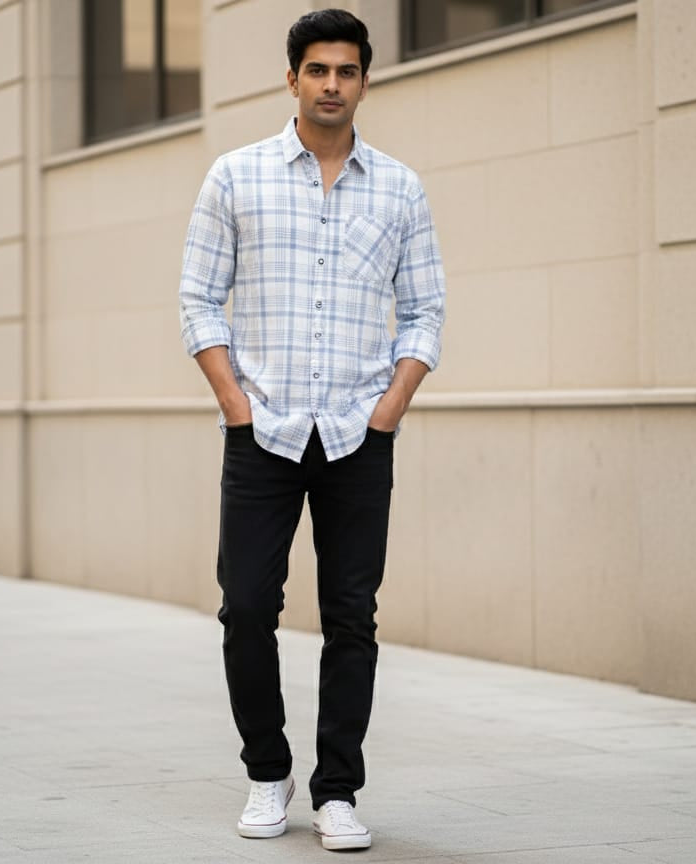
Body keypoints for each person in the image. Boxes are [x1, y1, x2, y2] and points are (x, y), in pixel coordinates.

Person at [178, 8, 445, 853]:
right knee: (246, 607)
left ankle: (337, 791)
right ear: (290, 77)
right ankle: (267, 772)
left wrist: (388, 410)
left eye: (348, 71)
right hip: (263, 433)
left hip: (357, 437)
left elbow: (426, 310)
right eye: (318, 70)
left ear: (365, 80)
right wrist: (234, 404)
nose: (333, 84)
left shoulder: (400, 187)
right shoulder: (235, 175)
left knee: (351, 617)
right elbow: (196, 299)